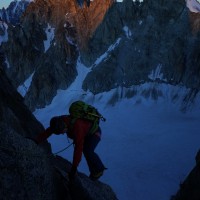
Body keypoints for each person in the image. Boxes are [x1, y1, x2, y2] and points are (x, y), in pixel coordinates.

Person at [34, 115, 106, 181]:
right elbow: (49, 131)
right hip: (86, 133)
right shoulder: (60, 122)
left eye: (62, 131)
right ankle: (94, 172)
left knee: (87, 150)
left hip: (95, 132)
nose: (62, 133)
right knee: (86, 150)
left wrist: (74, 167)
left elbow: (78, 148)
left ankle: (99, 170)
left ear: (64, 126)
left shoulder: (77, 127)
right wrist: (36, 140)